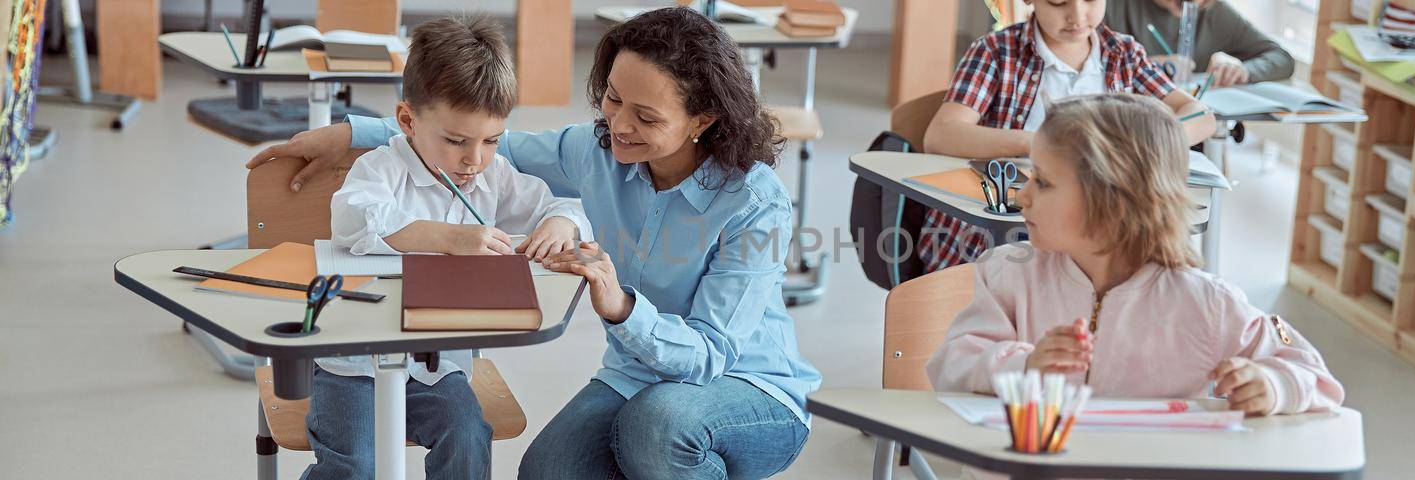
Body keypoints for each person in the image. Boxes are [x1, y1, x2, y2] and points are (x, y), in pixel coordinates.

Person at [248, 8, 819, 480]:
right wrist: (351, 131)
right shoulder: (599, 151)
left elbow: (711, 353)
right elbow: (486, 143)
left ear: (703, 120)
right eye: (613, 99)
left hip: (745, 386)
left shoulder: (755, 202)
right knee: (546, 472)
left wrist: (618, 305)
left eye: (645, 115)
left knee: (656, 428)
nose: (617, 125)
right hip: (636, 378)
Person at [925, 94, 1343, 417]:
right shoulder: (1008, 275)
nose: (1022, 195)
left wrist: (1273, 384)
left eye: (1045, 183)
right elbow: (951, 364)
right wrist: (1025, 365)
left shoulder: (1207, 303)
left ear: (1112, 201)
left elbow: (1314, 375)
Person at [311, 16, 587, 479]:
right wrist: (450, 238)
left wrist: (560, 222)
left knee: (467, 438)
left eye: (491, 141)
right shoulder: (380, 170)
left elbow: (559, 204)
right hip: (352, 366)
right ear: (406, 121)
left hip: (437, 368)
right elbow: (354, 220)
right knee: (355, 467)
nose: (473, 159)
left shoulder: (491, 177)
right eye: (456, 141)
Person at [917, 0, 1216, 274]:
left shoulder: (1123, 55)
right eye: (1059, 1)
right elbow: (942, 134)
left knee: (1153, 267)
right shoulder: (996, 51)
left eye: (1090, 0)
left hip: (1094, 232)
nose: (1077, 16)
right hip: (1001, 237)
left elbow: (1200, 115)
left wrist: (1147, 142)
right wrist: (1041, 143)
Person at [1103, 0, 1295, 88]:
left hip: (1194, 125)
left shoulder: (1215, 11)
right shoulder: (1108, 6)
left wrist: (1242, 70)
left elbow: (1281, 58)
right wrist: (1146, 66)